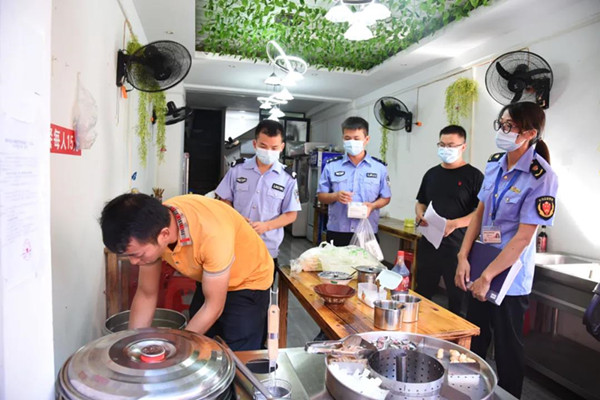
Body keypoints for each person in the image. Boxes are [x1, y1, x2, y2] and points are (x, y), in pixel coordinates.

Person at [454, 102, 558, 398]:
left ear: (530, 133)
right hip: (480, 264)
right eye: (501, 124)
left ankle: (510, 395)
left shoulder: (542, 176)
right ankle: (467, 393)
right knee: (474, 338)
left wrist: (488, 277)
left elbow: (523, 238)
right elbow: (479, 214)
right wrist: (463, 257)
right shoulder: (495, 164)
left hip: (509, 276)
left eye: (510, 126)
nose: (503, 130)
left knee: (507, 349)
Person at [100, 193, 274, 351]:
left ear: (164, 235)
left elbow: (213, 307)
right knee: (202, 344)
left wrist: (175, 349)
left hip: (249, 280)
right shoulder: (154, 227)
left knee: (239, 351)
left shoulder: (211, 235)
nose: (133, 262)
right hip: (211, 275)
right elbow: (146, 293)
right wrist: (134, 346)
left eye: (137, 255)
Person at [415, 125, 483, 315]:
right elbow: (421, 202)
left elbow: (481, 212)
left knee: (458, 297)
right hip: (429, 242)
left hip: (458, 247)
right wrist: (419, 213)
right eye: (442, 145)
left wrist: (454, 224)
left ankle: (456, 332)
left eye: (451, 145)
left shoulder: (474, 176)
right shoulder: (431, 174)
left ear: (463, 147)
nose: (446, 149)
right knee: (423, 292)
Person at [215, 120, 301, 268]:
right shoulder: (237, 169)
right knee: (232, 282)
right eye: (263, 146)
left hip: (267, 249)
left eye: (274, 148)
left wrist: (266, 226)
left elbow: (291, 214)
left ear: (282, 147)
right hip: (236, 243)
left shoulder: (287, 178)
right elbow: (224, 200)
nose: (268, 151)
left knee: (264, 283)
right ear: (255, 144)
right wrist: (237, 219)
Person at [317, 116, 391, 247]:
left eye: (356, 138)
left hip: (367, 231)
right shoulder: (331, 166)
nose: (352, 142)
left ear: (366, 139)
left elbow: (386, 197)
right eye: (347, 138)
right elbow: (321, 196)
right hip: (338, 231)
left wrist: (372, 206)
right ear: (343, 139)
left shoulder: (379, 168)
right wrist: (335, 196)